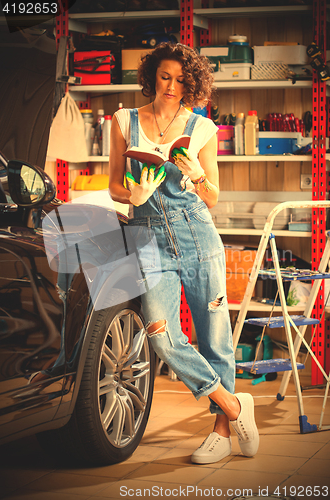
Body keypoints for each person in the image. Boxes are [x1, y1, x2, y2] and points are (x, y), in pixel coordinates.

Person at [109, 41, 259, 464]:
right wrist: (133, 194)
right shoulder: (124, 121)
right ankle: (232, 403)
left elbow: (212, 195)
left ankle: (221, 432)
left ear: (189, 84)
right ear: (151, 76)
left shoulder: (202, 128)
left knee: (215, 337)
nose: (172, 85)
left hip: (197, 236)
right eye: (164, 76)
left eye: (180, 79)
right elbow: (113, 184)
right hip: (148, 238)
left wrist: (194, 176)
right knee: (161, 334)